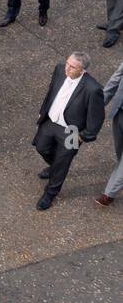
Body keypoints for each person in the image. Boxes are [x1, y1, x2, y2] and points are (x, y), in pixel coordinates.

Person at [32, 53, 105, 210]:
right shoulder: (59, 70)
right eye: (67, 64)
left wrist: (83, 136)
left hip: (72, 131)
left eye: (72, 67)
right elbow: (51, 91)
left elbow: (96, 118)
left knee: (63, 162)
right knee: (41, 147)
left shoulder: (93, 89)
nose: (67, 68)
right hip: (51, 121)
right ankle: (54, 167)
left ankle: (50, 193)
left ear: (83, 70)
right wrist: (43, 110)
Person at [95, 60, 123, 206]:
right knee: (120, 151)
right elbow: (116, 78)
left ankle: (109, 193)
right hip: (120, 112)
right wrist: (100, 104)